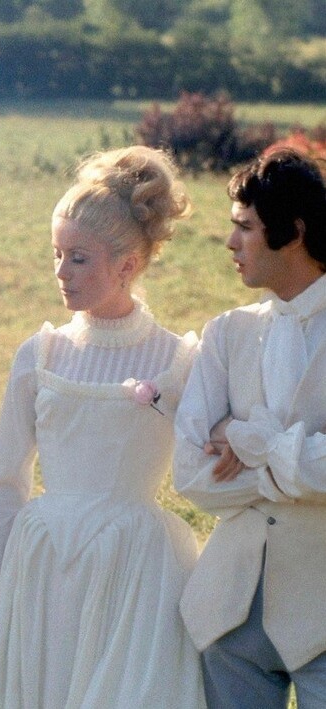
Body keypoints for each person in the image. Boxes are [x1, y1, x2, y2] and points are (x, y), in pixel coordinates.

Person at [0, 146, 205, 708]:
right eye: (56, 254)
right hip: (43, 562)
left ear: (127, 264)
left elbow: (204, 463)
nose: (60, 272)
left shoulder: (179, 361)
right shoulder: (41, 354)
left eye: (78, 258)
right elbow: (4, 483)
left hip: (132, 568)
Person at [174, 148, 326, 708]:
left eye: (245, 227)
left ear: (295, 232)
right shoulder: (226, 333)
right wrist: (289, 469)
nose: (230, 243)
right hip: (232, 618)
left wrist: (250, 440)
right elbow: (191, 473)